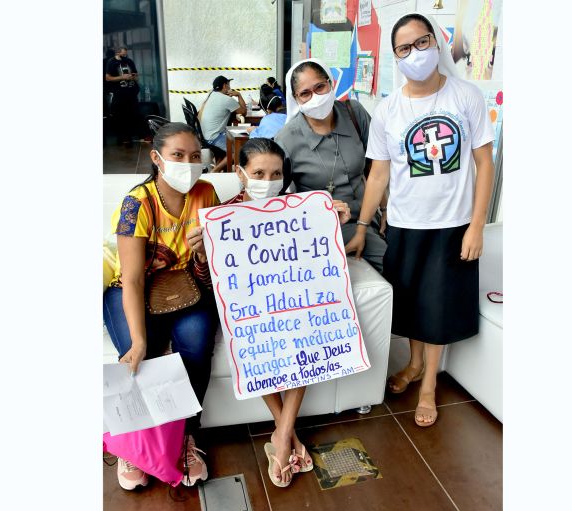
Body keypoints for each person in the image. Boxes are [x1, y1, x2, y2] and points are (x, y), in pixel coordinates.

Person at [345, 13, 495, 427]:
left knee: (438, 307)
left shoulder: (465, 97)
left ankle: (428, 384)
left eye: (421, 42)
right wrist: (361, 227)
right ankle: (412, 364)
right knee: (412, 304)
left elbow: (485, 163)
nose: (415, 54)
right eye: (404, 48)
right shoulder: (387, 109)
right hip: (405, 224)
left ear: (436, 42)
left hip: (453, 224)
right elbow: (377, 174)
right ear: (396, 57)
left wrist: (477, 224)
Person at [222, 138, 350, 487]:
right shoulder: (224, 216)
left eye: (276, 173)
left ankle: (281, 436)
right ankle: (286, 437)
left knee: (303, 333)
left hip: (293, 301)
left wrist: (333, 224)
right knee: (256, 339)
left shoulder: (299, 210)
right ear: (240, 173)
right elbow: (212, 283)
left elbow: (318, 261)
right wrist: (203, 255)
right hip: (251, 311)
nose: (268, 179)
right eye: (258, 172)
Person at [103, 122, 220, 489]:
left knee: (197, 350)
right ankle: (135, 448)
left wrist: (206, 251)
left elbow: (210, 268)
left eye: (195, 156)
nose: (188, 163)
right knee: (140, 358)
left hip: (185, 287)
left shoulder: (206, 192)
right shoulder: (136, 204)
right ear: (157, 158)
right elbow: (134, 279)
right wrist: (138, 340)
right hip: (135, 289)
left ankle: (187, 437)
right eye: (178, 156)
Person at [274, 58, 387, 273]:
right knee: (392, 262)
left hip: (370, 215)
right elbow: (277, 197)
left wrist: (385, 208)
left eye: (320, 87)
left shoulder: (354, 113)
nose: (315, 97)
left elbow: (375, 167)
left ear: (330, 83)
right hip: (326, 225)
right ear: (296, 100)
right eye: (305, 93)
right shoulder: (286, 140)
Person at [199, 75, 247, 153]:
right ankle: (219, 166)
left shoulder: (211, 95)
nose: (230, 87)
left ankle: (220, 162)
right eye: (229, 85)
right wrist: (238, 95)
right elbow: (243, 111)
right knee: (240, 151)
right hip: (214, 137)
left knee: (236, 141)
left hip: (205, 135)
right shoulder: (226, 99)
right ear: (225, 86)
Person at [105, 46, 141, 145]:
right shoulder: (111, 62)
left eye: (126, 54)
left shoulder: (129, 61)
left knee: (132, 115)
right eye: (123, 54)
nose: (125, 56)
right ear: (117, 53)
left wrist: (133, 77)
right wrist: (122, 77)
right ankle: (123, 138)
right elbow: (107, 78)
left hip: (131, 93)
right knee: (120, 116)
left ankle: (130, 137)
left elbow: (137, 76)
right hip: (119, 94)